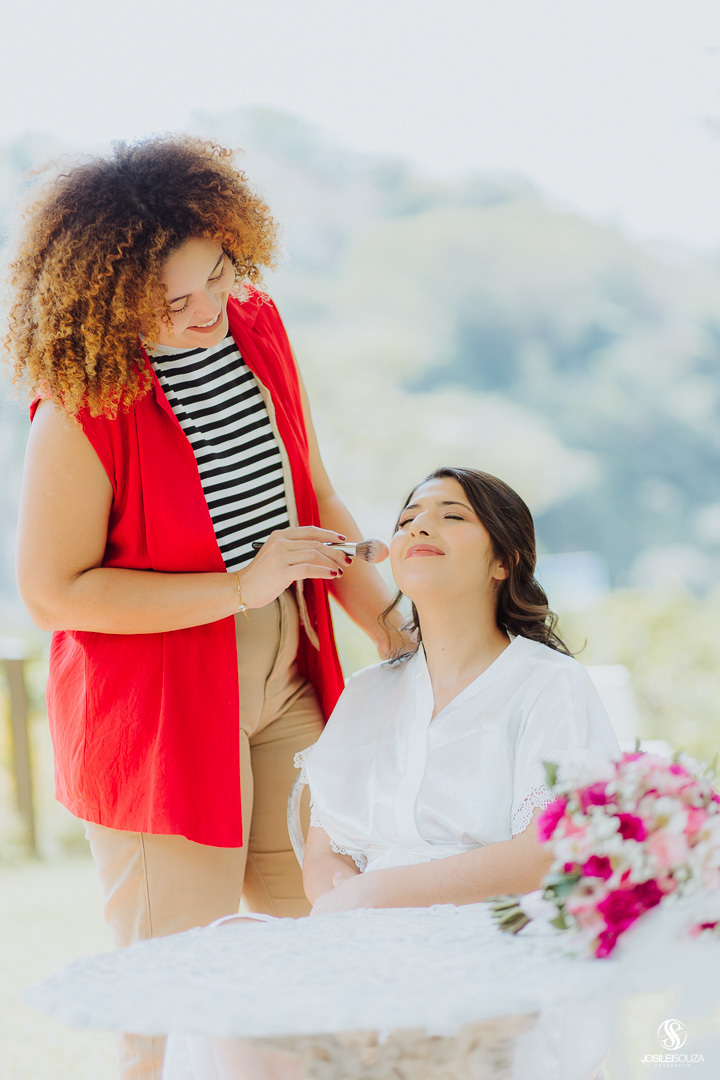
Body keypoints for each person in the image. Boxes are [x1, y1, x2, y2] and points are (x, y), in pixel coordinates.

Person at [6, 135, 405, 1079]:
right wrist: (238, 586)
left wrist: (398, 627)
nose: (204, 316)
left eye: (216, 281)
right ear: (111, 301)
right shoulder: (81, 404)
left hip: (290, 673)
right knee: (171, 988)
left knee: (319, 936)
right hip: (155, 709)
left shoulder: (257, 328)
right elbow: (51, 591)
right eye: (171, 303)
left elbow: (314, 496)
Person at [299, 466, 620, 914]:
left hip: (495, 936)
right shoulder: (363, 692)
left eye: (453, 517)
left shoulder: (549, 682)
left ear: (503, 562)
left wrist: (373, 896)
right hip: (361, 938)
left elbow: (544, 849)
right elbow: (326, 851)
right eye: (407, 520)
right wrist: (352, 914)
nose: (419, 527)